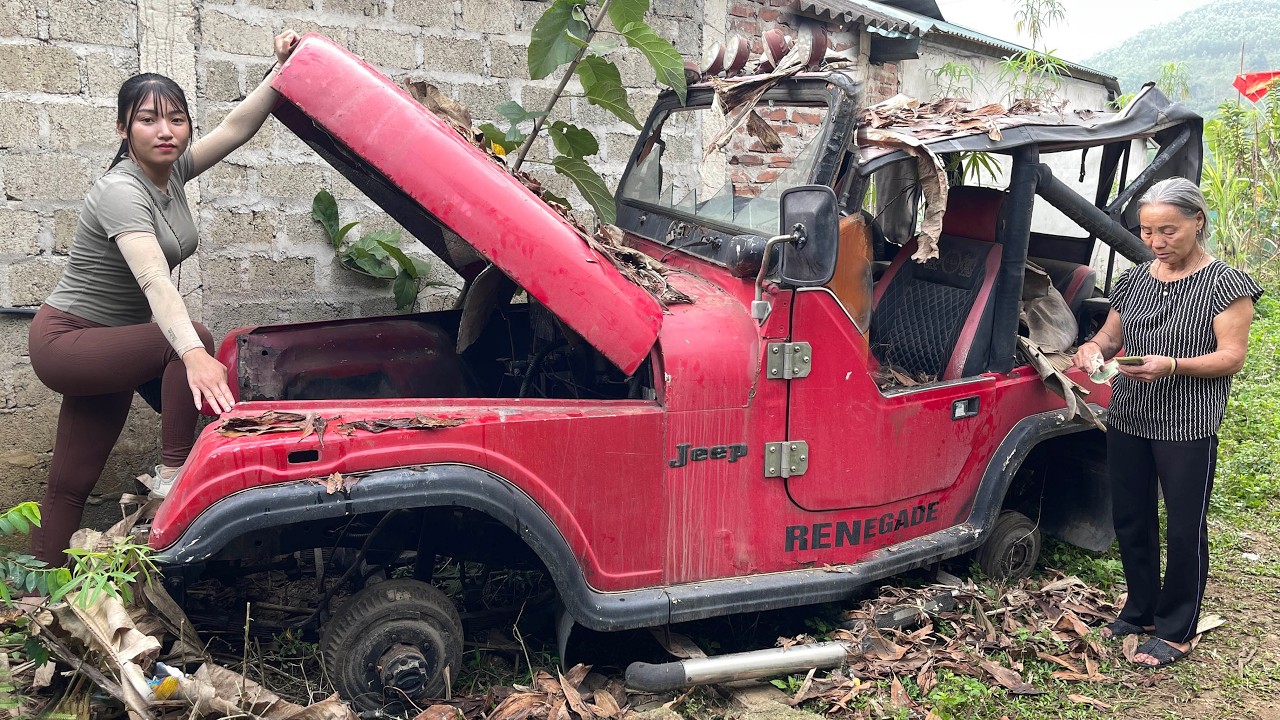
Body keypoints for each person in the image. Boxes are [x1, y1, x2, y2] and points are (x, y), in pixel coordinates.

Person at [27, 30, 301, 566]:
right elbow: (154, 280)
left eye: (176, 119)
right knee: (192, 341)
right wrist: (192, 354)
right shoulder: (121, 191)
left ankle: (40, 599)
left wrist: (286, 68)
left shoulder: (172, 174)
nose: (165, 130)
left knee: (71, 483)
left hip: (112, 344)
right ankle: (174, 476)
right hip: (68, 340)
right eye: (149, 119)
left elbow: (237, 126)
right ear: (123, 128)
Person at [1072, 177, 1263, 667]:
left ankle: (1178, 627)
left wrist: (1173, 365)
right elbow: (1111, 337)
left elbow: (1232, 357)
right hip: (1130, 414)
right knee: (1131, 515)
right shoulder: (1135, 279)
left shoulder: (1227, 284)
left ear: (1198, 221)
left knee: (1183, 525)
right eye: (1148, 231)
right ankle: (1140, 610)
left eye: (1169, 231)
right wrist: (1093, 349)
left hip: (1187, 421)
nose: (1156, 242)